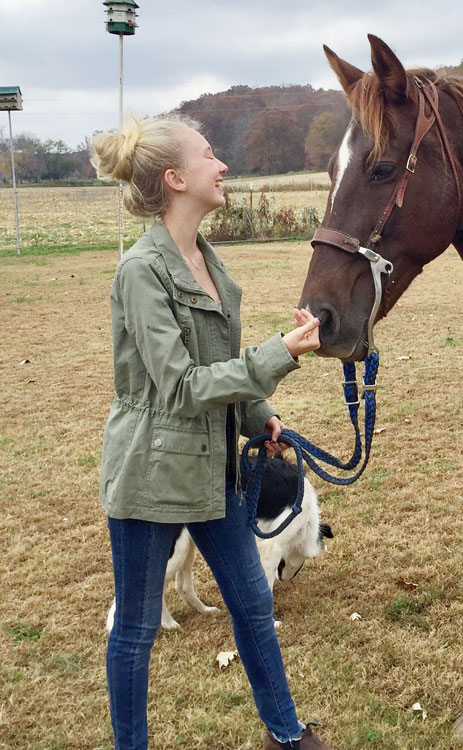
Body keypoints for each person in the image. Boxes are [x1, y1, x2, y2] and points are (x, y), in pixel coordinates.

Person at [91, 115, 331, 750]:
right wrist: (280, 353)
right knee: (136, 630)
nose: (222, 164)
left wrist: (260, 417)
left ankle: (288, 734)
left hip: (213, 470)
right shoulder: (142, 271)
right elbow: (180, 386)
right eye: (209, 156)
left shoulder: (207, 261)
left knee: (254, 606)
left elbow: (217, 368)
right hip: (151, 475)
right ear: (175, 179)